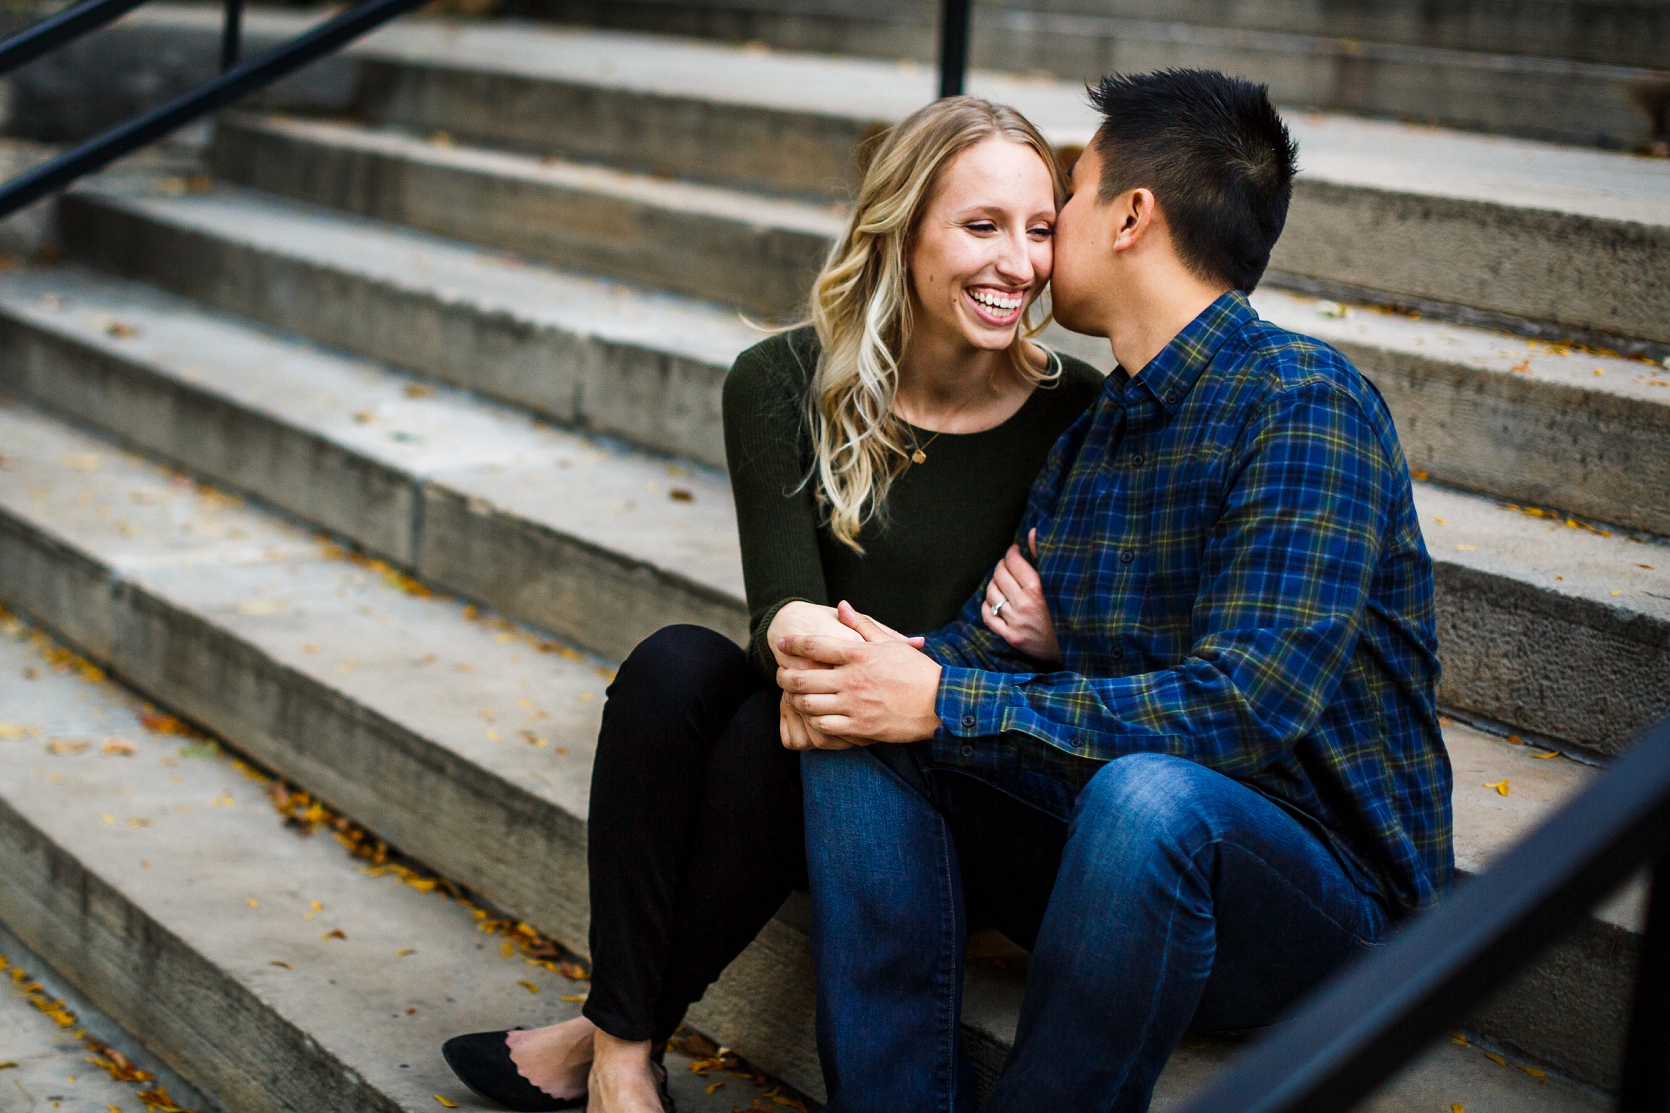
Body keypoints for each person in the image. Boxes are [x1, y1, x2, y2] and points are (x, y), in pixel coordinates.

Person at [780, 69, 1455, 1112]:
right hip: (1126, 861)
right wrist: (880, 673)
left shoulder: (1301, 405)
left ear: (1131, 214)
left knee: (1147, 796)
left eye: (1067, 200)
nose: (1043, 241)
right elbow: (978, 652)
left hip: (1320, 900)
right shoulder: (1095, 437)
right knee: (869, 725)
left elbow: (1243, 705)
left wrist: (946, 699)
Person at [439, 96, 1106, 1113]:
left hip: (937, 792)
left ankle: (607, 1038)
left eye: (1039, 227)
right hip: (807, 749)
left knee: (775, 729)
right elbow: (781, 613)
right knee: (677, 664)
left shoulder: (1074, 410)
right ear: (902, 229)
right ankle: (623, 1061)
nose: (1018, 263)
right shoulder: (781, 380)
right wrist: (813, 640)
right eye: (981, 226)